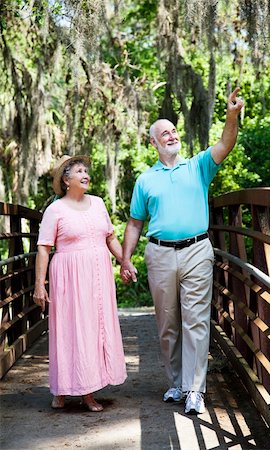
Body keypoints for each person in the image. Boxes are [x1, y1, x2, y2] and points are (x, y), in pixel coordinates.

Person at [120, 88, 244, 414]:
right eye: (165, 133)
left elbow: (225, 144)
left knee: (196, 321)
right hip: (159, 254)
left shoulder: (198, 166)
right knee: (168, 324)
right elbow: (134, 223)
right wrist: (125, 259)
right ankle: (175, 382)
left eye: (174, 130)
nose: (172, 135)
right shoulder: (145, 180)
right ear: (154, 142)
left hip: (197, 251)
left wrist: (231, 116)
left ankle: (194, 389)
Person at [33, 155, 127, 412]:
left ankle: (86, 389)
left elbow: (110, 238)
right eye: (79, 171)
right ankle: (65, 390)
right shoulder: (55, 210)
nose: (86, 174)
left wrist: (125, 262)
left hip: (98, 276)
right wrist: (39, 285)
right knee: (70, 330)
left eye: (86, 170)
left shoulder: (97, 203)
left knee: (94, 329)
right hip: (69, 278)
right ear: (66, 180)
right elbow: (43, 248)